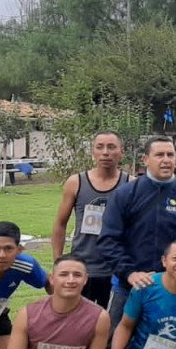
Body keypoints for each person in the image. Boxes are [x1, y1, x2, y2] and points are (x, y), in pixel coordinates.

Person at [98, 136, 176, 333]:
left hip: (172, 289)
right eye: (159, 155)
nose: (166, 160)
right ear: (145, 160)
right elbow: (108, 240)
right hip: (130, 287)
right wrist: (130, 273)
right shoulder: (125, 194)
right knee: (114, 346)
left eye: (170, 155)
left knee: (164, 346)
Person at [51, 130, 129, 308]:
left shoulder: (130, 184)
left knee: (110, 327)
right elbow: (60, 224)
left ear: (121, 152)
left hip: (116, 270)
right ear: (92, 152)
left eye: (111, 147)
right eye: (100, 147)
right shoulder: (76, 182)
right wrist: (59, 263)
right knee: (77, 323)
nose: (105, 152)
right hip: (82, 267)